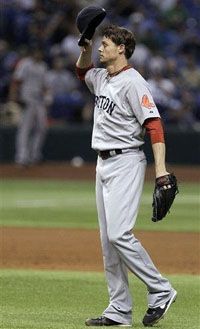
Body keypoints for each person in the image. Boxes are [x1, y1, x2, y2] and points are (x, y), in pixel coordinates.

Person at [76, 25, 177, 327]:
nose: (101, 48)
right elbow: (82, 73)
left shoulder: (134, 83)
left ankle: (161, 289)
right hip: (102, 163)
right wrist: (84, 51)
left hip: (126, 161)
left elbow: (154, 126)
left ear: (122, 48)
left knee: (119, 234)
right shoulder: (102, 77)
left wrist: (160, 170)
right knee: (108, 242)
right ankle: (119, 310)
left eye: (105, 44)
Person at [9, 47, 48, 166]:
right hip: (26, 99)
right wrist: (15, 97)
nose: (38, 54)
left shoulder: (43, 66)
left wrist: (46, 97)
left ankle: (34, 155)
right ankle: (21, 157)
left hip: (38, 100)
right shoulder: (25, 64)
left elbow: (44, 86)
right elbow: (16, 81)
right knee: (25, 129)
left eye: (40, 51)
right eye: (36, 51)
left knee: (41, 128)